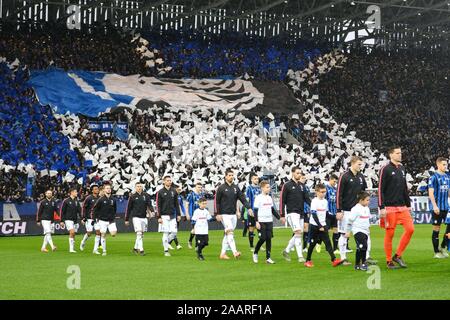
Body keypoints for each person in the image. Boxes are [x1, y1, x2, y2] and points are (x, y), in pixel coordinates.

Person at [379, 147, 414, 269]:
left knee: (410, 229)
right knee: (390, 234)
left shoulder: (402, 168)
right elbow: (380, 189)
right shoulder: (385, 169)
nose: (400, 155)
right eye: (397, 153)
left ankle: (398, 255)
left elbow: (404, 188)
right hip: (389, 207)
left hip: (402, 207)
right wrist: (381, 206)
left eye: (401, 153)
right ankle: (389, 260)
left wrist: (408, 205)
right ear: (390, 155)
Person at [336, 156, 369, 266]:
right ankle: (343, 257)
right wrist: (339, 210)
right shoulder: (344, 176)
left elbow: (364, 192)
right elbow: (339, 194)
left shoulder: (361, 177)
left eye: (361, 164)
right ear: (353, 163)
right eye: (359, 164)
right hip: (346, 210)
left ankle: (366, 257)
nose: (361, 166)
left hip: (359, 210)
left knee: (365, 234)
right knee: (344, 234)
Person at [214, 168, 253, 260]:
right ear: (225, 176)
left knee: (227, 234)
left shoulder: (236, 188)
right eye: (229, 175)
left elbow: (242, 199)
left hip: (233, 215)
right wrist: (218, 213)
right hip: (224, 215)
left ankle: (222, 254)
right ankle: (235, 252)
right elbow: (217, 202)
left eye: (232, 175)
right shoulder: (221, 188)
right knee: (230, 232)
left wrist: (249, 208)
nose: (231, 177)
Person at [304, 184, 343, 268]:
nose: (323, 193)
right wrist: (319, 226)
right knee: (312, 244)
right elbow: (314, 214)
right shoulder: (314, 201)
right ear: (317, 192)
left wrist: (335, 216)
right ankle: (307, 260)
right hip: (314, 225)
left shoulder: (325, 201)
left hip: (323, 225)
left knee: (328, 242)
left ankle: (334, 260)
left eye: (325, 192)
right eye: (322, 192)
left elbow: (326, 213)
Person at [280, 167, 310, 263]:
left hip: (301, 213)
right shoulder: (287, 185)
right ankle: (300, 256)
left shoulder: (302, 186)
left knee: (299, 233)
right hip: (291, 213)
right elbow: (282, 201)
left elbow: (307, 199)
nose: (299, 175)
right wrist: (282, 214)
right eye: (297, 173)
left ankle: (286, 250)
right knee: (298, 233)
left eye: (300, 173)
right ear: (293, 173)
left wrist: (314, 206)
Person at [252, 180, 280, 264]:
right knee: (263, 238)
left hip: (269, 221)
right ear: (262, 188)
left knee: (268, 239)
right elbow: (255, 211)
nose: (269, 189)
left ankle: (268, 258)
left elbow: (272, 210)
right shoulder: (258, 198)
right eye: (267, 187)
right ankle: (255, 252)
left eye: (269, 187)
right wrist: (256, 221)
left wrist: (280, 217)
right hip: (261, 221)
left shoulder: (269, 198)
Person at [428, 157, 449, 258]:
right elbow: (430, 193)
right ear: (438, 165)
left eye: (446, 164)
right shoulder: (433, 177)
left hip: (446, 207)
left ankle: (443, 246)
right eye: (444, 164)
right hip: (437, 207)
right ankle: (436, 252)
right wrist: (435, 206)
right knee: (437, 228)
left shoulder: (447, 176)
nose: (446, 166)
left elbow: (448, 192)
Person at [125, 182, 154, 256]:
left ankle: (135, 248)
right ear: (135, 187)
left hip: (144, 217)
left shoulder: (146, 195)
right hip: (136, 217)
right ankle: (141, 250)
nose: (139, 187)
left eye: (140, 186)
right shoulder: (132, 196)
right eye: (138, 186)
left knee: (141, 234)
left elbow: (149, 205)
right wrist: (126, 219)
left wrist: (152, 211)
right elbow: (128, 209)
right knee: (139, 233)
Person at [345, 191, 372, 271]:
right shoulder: (355, 209)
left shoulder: (367, 208)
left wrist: (368, 228)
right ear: (361, 200)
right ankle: (363, 263)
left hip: (365, 231)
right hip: (358, 230)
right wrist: (348, 231)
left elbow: (367, 220)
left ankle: (357, 264)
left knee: (360, 248)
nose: (369, 202)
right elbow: (350, 221)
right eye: (367, 200)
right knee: (364, 246)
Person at [156, 176, 181, 256]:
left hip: (173, 215)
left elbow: (176, 204)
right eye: (167, 180)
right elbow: (158, 205)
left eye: (170, 180)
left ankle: (165, 242)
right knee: (166, 233)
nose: (169, 182)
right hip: (164, 216)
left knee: (174, 232)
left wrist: (179, 214)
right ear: (164, 182)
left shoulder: (174, 191)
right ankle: (166, 251)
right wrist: (159, 217)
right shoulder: (160, 192)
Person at [92, 183, 117, 256]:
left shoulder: (113, 199)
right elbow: (95, 209)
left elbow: (115, 209)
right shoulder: (101, 199)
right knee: (103, 235)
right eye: (107, 188)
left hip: (111, 220)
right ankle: (104, 250)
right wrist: (94, 218)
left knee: (113, 234)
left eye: (109, 188)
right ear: (104, 190)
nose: (109, 189)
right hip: (102, 220)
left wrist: (113, 216)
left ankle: (105, 235)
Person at [59, 187, 81, 253]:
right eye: (75, 192)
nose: (77, 193)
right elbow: (62, 211)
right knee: (72, 232)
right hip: (68, 219)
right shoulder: (66, 201)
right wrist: (61, 221)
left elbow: (79, 211)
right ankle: (71, 249)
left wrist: (82, 218)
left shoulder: (77, 201)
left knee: (73, 234)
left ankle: (72, 248)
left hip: (75, 220)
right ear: (71, 192)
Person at [80, 184, 100, 251]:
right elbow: (83, 207)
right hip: (89, 218)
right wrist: (83, 217)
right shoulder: (88, 198)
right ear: (92, 190)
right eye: (95, 189)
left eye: (97, 189)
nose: (97, 190)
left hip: (97, 218)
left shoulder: (100, 198)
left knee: (98, 232)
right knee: (89, 233)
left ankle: (95, 249)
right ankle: (83, 242)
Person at [245, 173, 261, 252]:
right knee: (251, 229)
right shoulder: (249, 188)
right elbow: (247, 200)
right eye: (255, 179)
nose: (256, 180)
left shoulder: (259, 188)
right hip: (251, 211)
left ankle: (259, 245)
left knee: (260, 228)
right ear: (251, 179)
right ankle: (251, 246)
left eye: (257, 179)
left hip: (259, 212)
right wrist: (249, 209)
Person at [186, 182, 204, 249]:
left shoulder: (202, 194)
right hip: (193, 214)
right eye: (198, 187)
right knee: (195, 230)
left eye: (201, 187)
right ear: (195, 187)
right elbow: (187, 204)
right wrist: (187, 214)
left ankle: (192, 242)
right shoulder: (191, 194)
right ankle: (194, 243)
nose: (200, 188)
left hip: (200, 214)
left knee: (198, 230)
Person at [326, 174, 340, 254]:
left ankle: (335, 248)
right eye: (334, 181)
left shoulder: (335, 189)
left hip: (335, 213)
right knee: (325, 231)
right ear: (330, 179)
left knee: (336, 230)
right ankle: (322, 244)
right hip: (327, 213)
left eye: (336, 182)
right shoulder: (325, 188)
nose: (335, 183)